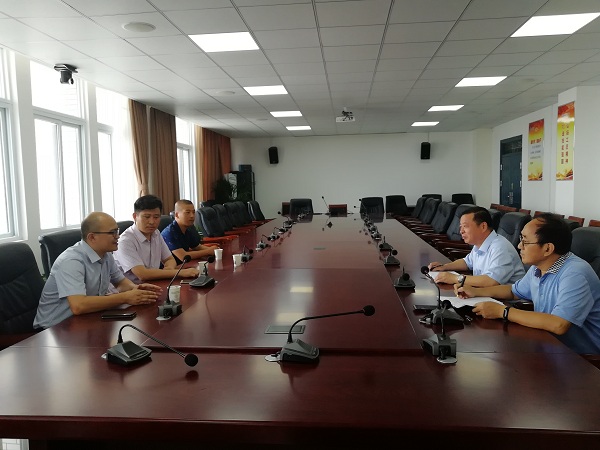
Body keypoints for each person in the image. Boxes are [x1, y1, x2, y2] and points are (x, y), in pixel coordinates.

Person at [456, 213, 600, 355]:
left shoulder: (575, 273)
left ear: (547, 249)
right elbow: (513, 291)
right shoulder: (538, 267)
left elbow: (559, 324)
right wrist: (476, 291)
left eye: (525, 241)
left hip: (581, 357)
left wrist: (503, 311)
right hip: (548, 343)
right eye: (521, 239)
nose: (519, 245)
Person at [34, 212, 162, 329]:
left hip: (86, 320)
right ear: (92, 237)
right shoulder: (71, 261)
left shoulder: (106, 255)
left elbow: (120, 283)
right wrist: (125, 297)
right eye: (112, 233)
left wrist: (136, 290)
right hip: (54, 328)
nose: (117, 236)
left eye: (117, 231)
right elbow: (78, 305)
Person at [428, 206, 525, 288]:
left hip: (505, 301)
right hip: (483, 293)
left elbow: (491, 281)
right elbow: (467, 262)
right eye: (461, 227)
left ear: (483, 226)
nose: (461, 231)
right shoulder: (480, 243)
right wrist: (444, 267)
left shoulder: (500, 247)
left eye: (465, 226)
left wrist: (455, 278)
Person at [113, 195, 199, 283]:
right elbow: (142, 274)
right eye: (147, 217)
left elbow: (169, 259)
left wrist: (169, 268)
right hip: (132, 288)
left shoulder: (156, 233)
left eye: (156, 217)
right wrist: (180, 272)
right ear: (135, 216)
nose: (152, 222)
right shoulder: (125, 241)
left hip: (155, 283)